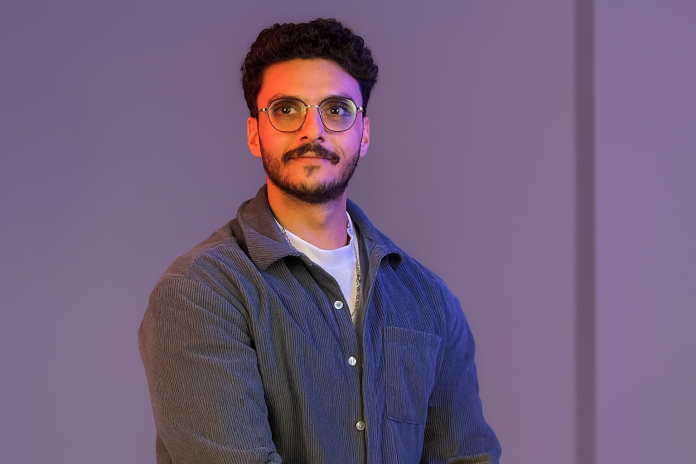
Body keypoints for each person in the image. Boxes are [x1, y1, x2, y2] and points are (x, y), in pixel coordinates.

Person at [139, 18, 501, 464]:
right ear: (254, 133)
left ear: (363, 133)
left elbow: (468, 457)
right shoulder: (200, 293)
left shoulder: (428, 301)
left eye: (336, 109)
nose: (313, 131)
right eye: (286, 109)